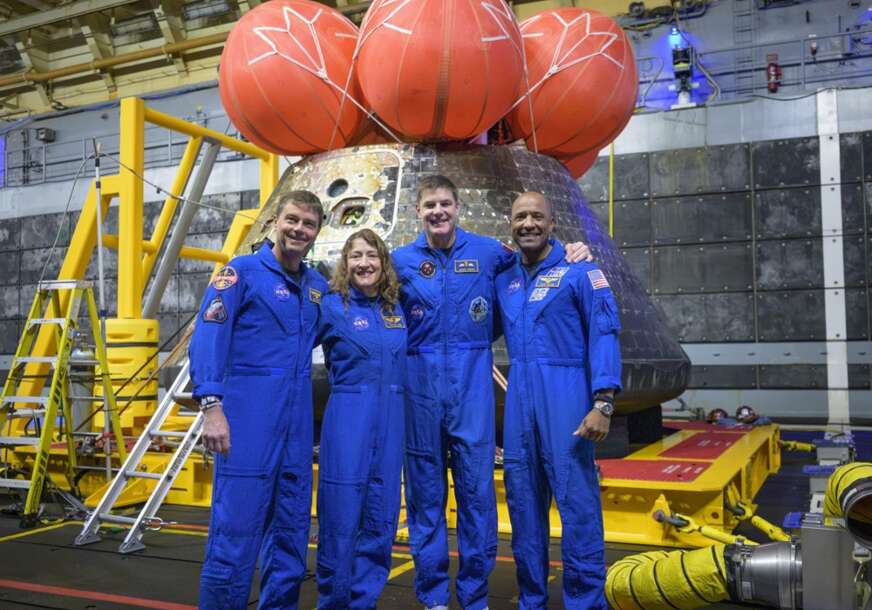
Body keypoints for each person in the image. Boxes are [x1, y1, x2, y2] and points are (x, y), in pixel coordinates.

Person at [391, 176, 591, 610]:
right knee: (425, 500)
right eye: (429, 205)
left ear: (458, 207)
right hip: (419, 389)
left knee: (477, 499)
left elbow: (534, 265)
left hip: (472, 391)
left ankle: (475, 597)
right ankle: (434, 598)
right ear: (417, 211)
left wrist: (576, 251)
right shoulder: (399, 261)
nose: (438, 212)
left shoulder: (489, 254)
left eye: (445, 203)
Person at [190, 191, 328, 610]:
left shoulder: (318, 288)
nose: (298, 229)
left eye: (308, 223)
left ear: (317, 231)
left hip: (297, 429)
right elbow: (209, 335)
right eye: (292, 219)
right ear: (275, 221)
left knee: (290, 538)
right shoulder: (240, 273)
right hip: (247, 423)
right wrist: (212, 407)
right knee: (234, 537)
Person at [494, 192, 622, 610]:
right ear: (510, 225)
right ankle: (532, 599)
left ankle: (585, 602)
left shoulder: (580, 270)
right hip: (520, 406)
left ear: (552, 224)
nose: (528, 223)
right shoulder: (505, 278)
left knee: (577, 504)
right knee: (523, 508)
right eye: (520, 217)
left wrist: (603, 402)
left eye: (537, 216)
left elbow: (604, 334)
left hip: (567, 398)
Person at [314, 229, 406, 609]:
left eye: (372, 256)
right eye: (356, 256)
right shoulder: (332, 306)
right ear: (345, 263)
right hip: (348, 417)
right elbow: (289, 345)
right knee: (340, 515)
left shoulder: (396, 308)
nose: (364, 263)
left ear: (384, 263)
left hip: (393, 418)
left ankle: (363, 601)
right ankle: (333, 602)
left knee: (381, 515)